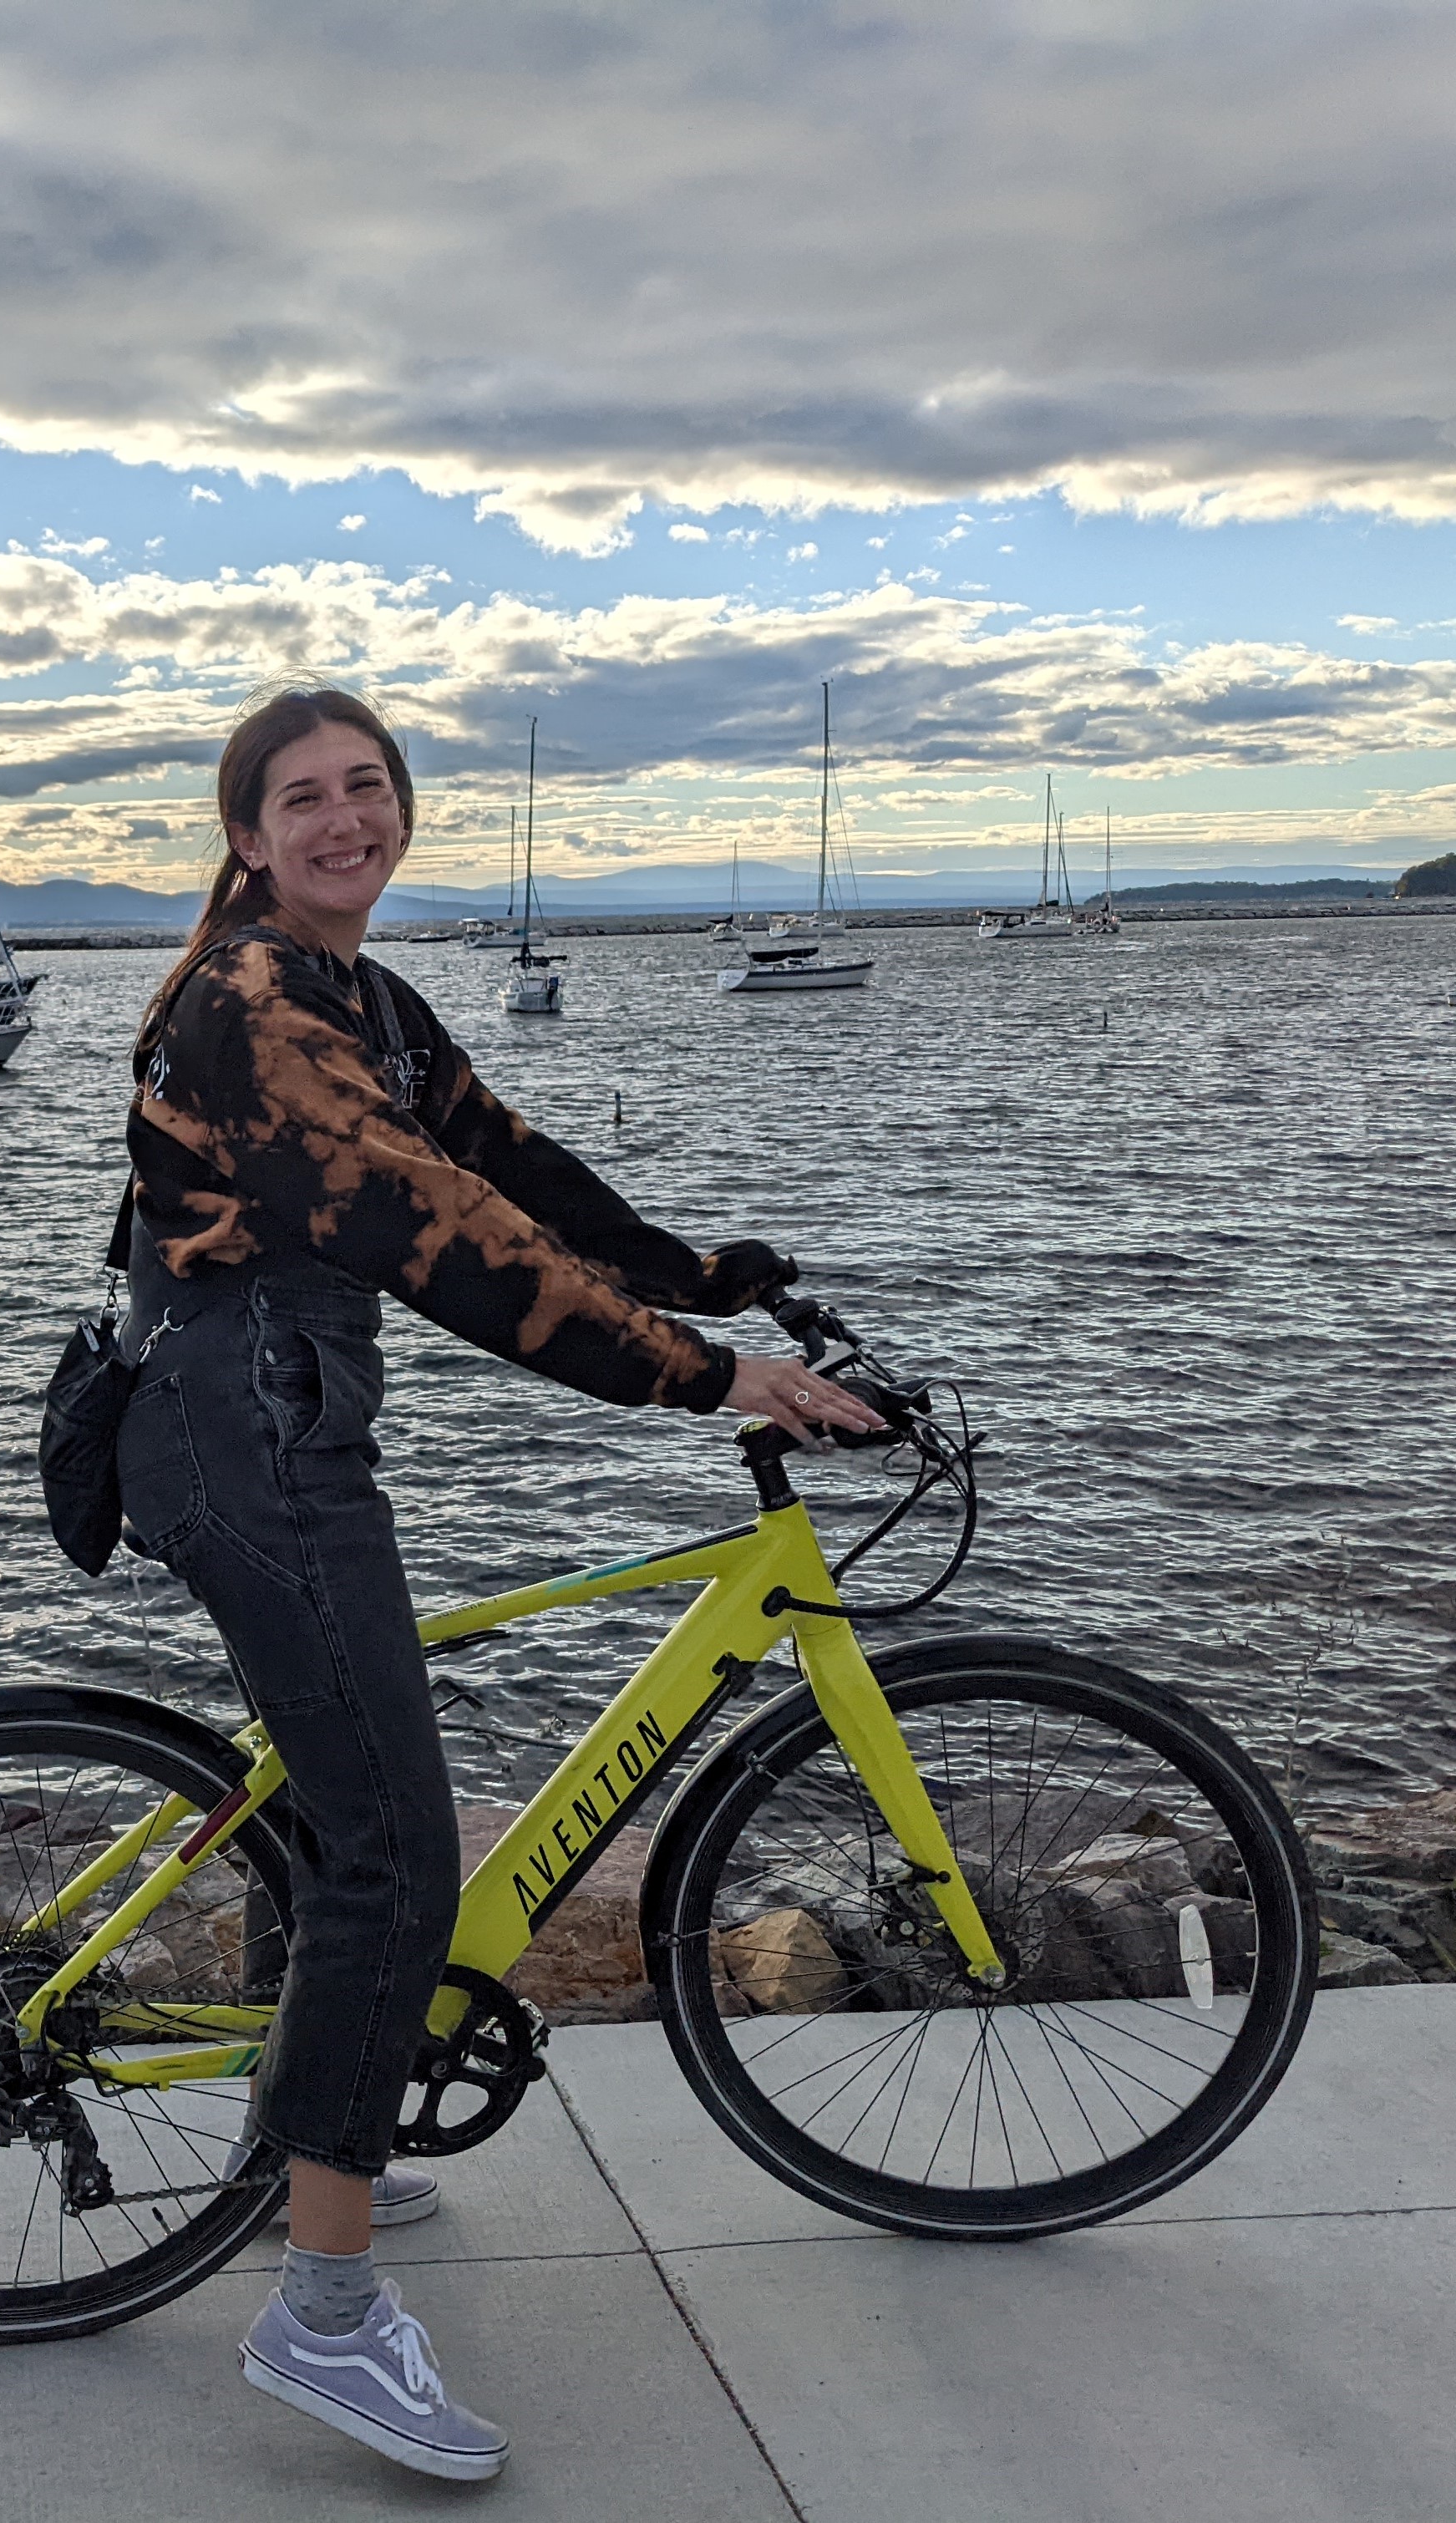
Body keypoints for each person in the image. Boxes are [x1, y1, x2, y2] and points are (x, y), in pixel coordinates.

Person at [114, 686, 880, 2482]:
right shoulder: (250, 1006)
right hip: (247, 1439)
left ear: (399, 812)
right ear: (245, 838)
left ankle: (310, 2136)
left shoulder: (360, 994)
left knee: (338, 1813)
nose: (337, 819)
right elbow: (431, 1233)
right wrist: (697, 1376)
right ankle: (320, 2312)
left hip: (272, 1416)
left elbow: (508, 1168)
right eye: (296, 798)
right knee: (396, 1848)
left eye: (364, 788)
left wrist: (715, 1274)